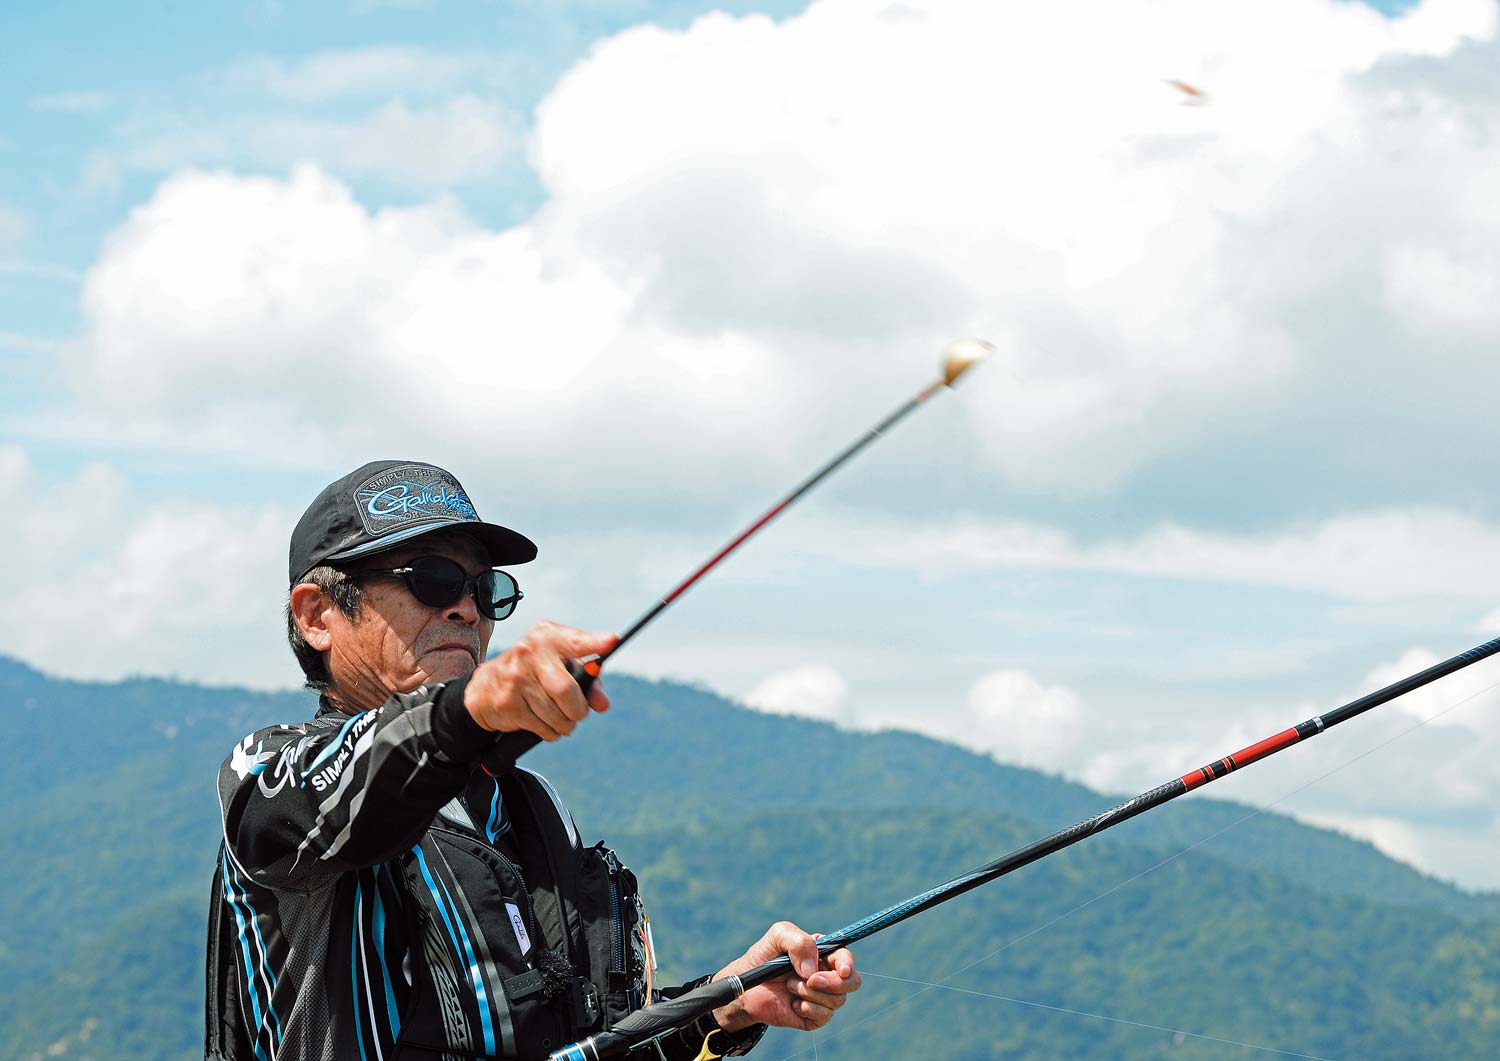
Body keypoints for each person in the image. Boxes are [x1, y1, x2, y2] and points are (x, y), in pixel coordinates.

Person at [206, 460, 860, 1061]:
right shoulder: (268, 776)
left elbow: (589, 1046)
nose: (465, 608)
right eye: (431, 580)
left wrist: (729, 1003)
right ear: (317, 615)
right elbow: (346, 786)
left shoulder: (532, 803)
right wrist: (471, 707)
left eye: (484, 589)